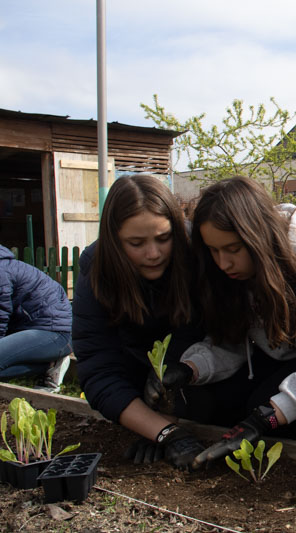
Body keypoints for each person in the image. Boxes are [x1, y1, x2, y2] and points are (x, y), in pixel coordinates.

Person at [157, 177, 296, 468]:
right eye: (214, 251)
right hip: (279, 353)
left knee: (266, 412)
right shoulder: (229, 273)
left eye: (232, 249)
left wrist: (267, 417)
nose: (223, 263)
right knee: (213, 403)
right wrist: (189, 369)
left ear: (257, 236)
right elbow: (231, 343)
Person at [72, 174, 206, 469]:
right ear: (114, 241)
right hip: (132, 377)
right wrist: (164, 433)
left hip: (199, 380)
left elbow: (209, 339)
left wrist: (171, 397)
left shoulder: (198, 254)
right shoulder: (96, 269)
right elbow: (98, 370)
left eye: (163, 238)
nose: (153, 253)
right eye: (136, 243)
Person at [0, 245, 72, 390]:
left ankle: (50, 365)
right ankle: (48, 366)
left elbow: (1, 314)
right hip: (27, 329)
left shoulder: (2, 270)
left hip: (54, 332)